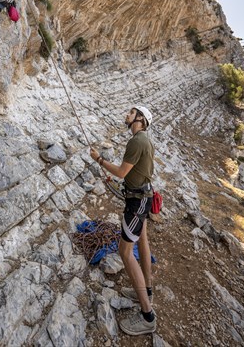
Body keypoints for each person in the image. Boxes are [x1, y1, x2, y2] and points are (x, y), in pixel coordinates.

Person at [90, 105, 156, 336]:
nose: (126, 115)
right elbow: (134, 174)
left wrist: (99, 159)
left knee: (125, 252)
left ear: (139, 119)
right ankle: (146, 290)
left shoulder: (137, 141)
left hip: (137, 204)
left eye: (131, 112)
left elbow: (121, 172)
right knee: (142, 242)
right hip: (143, 198)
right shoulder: (144, 140)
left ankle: (147, 316)